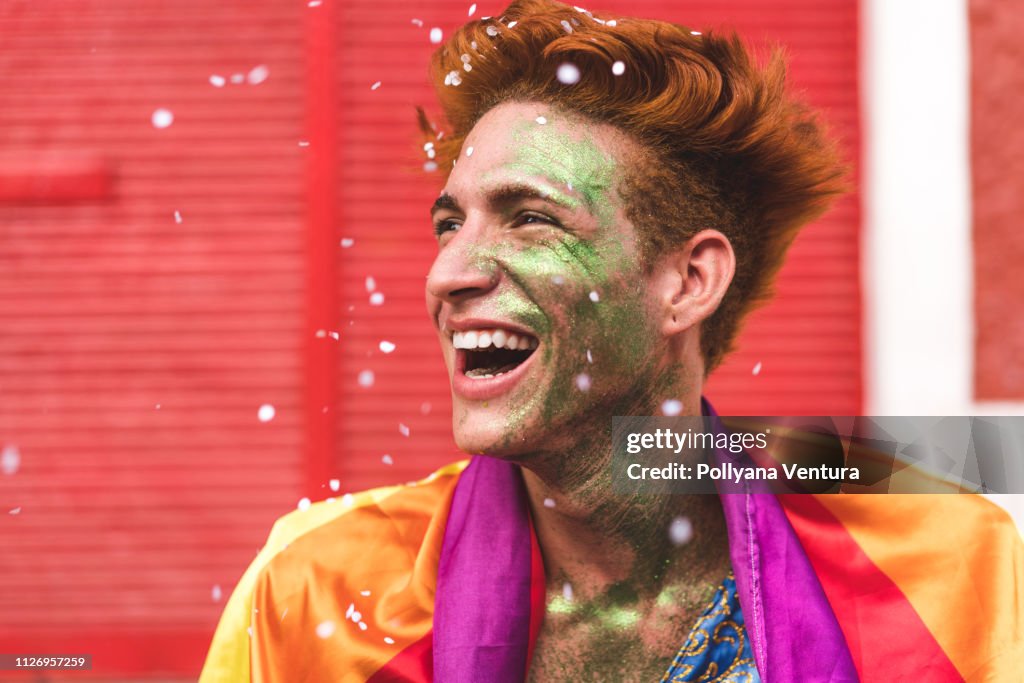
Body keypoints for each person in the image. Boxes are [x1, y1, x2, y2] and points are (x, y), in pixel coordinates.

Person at [200, 1, 1023, 680]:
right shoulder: (313, 595)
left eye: (530, 218)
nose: (449, 273)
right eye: (449, 224)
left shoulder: (952, 572)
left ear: (688, 282)